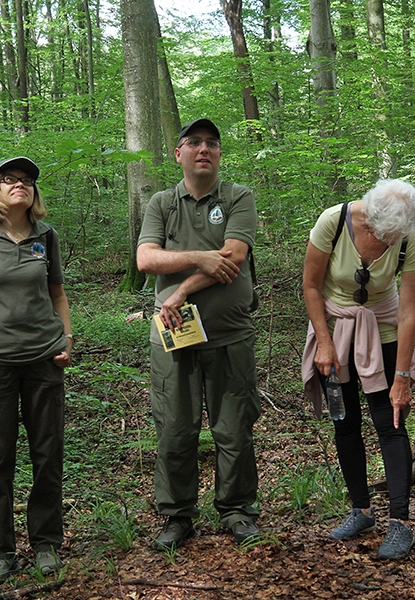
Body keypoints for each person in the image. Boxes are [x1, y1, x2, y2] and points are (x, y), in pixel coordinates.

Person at [137, 118, 261, 550]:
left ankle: (238, 510)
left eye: (212, 143)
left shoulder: (238, 197)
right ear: (179, 153)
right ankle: (177, 516)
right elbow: (146, 259)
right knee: (174, 428)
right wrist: (201, 258)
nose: (203, 149)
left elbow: (234, 256)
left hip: (229, 334)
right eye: (194, 143)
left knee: (234, 428)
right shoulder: (162, 203)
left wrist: (184, 288)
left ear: (220, 154)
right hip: (172, 336)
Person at [0, 157, 72, 583]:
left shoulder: (47, 236)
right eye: (9, 179)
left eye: (26, 181)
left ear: (33, 193)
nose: (19, 185)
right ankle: (2, 552)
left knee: (47, 455)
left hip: (44, 361)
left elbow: (58, 294)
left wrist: (67, 339)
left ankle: (45, 544)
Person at [301, 179, 415, 560]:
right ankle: (361, 510)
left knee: (390, 423)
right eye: (381, 235)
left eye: (394, 237)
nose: (386, 242)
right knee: (345, 422)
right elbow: (310, 285)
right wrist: (323, 343)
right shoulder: (333, 222)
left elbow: (408, 312)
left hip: (384, 329)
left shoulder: (411, 239)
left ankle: (400, 522)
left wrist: (402, 378)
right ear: (369, 220)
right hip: (335, 329)